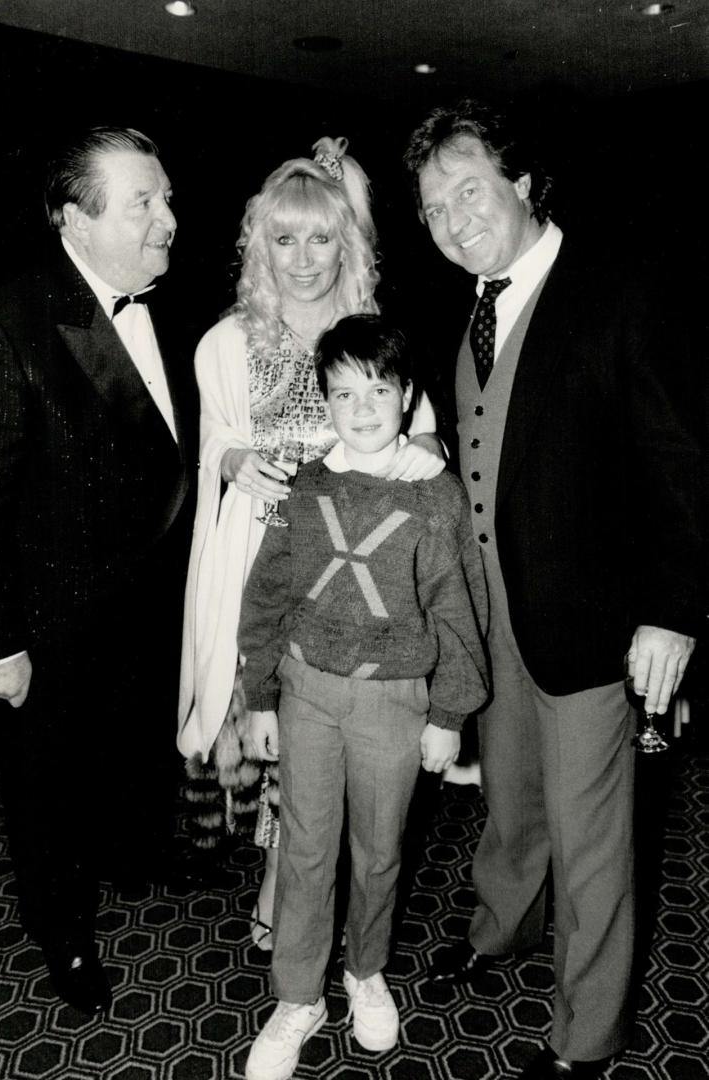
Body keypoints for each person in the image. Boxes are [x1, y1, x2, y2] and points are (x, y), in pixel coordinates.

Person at [403, 99, 703, 1079]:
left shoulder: (619, 288)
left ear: (523, 183)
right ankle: (501, 931)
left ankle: (584, 1035)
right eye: (432, 209)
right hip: (492, 620)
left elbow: (681, 460)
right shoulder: (473, 303)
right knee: (511, 804)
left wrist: (669, 609)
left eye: (467, 192)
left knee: (589, 841)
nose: (451, 221)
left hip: (592, 625)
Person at [177, 138, 444, 949]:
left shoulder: (373, 338)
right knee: (274, 730)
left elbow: (426, 444)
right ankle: (285, 880)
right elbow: (214, 438)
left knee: (324, 737)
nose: (301, 258)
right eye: (283, 239)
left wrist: (379, 463)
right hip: (257, 565)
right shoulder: (225, 342)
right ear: (259, 244)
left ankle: (287, 888)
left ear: (347, 243)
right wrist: (232, 457)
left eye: (319, 237)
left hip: (351, 580)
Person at [0, 126, 198, 1014]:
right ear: (76, 218)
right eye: (144, 201)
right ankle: (60, 933)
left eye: (168, 197)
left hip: (146, 607)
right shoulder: (10, 315)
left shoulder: (171, 309)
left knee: (124, 761)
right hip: (52, 620)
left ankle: (135, 854)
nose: (169, 220)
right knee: (46, 791)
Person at [239, 314, 488, 1080]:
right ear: (324, 400)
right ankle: (298, 996)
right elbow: (267, 591)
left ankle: (365, 972)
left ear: (407, 397)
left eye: (378, 389)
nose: (362, 407)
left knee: (378, 853)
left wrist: (449, 714)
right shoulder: (296, 487)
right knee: (306, 850)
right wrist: (257, 696)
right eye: (342, 392)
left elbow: (458, 610)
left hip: (394, 701)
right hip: (307, 693)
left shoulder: (436, 499)